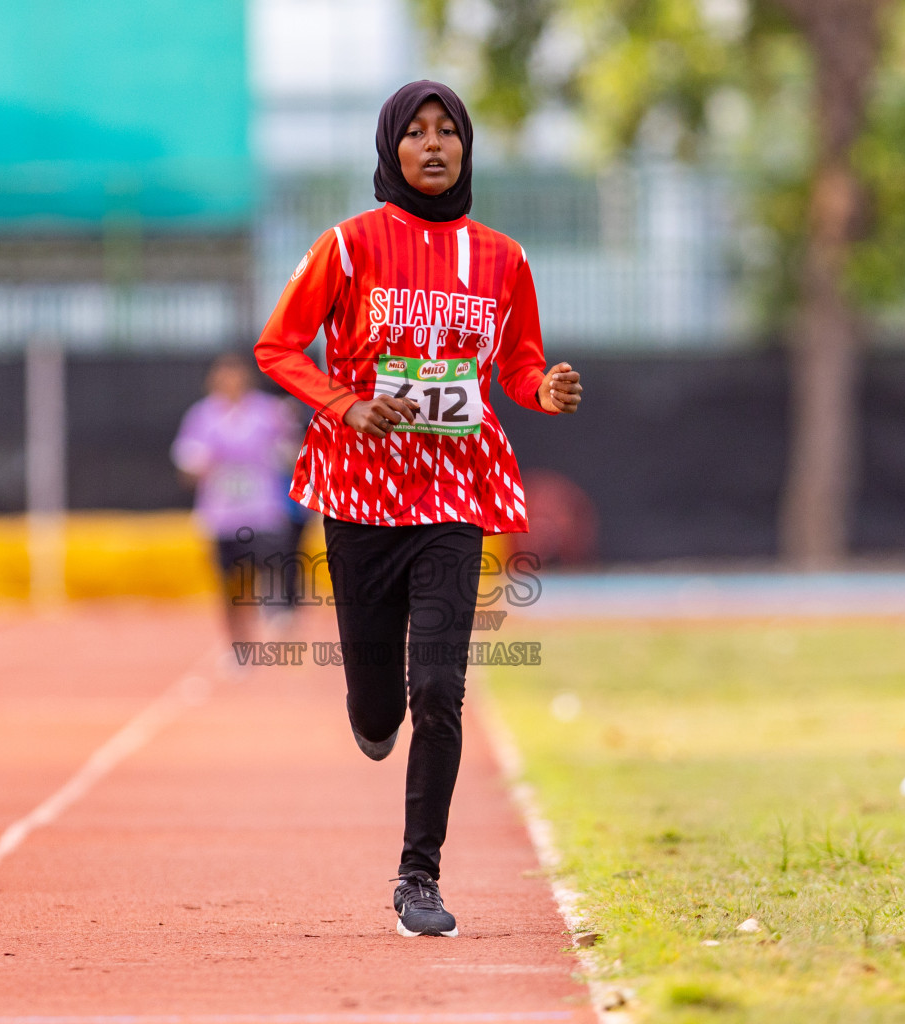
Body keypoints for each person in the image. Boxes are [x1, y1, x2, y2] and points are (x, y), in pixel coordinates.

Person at [254, 80, 582, 938]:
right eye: (416, 133)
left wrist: (543, 389)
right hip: (361, 495)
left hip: (453, 492)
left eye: (449, 132)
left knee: (439, 685)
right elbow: (277, 345)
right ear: (389, 149)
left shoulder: (504, 260)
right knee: (378, 707)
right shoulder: (348, 246)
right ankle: (372, 711)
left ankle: (419, 876)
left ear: (467, 148)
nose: (433, 146)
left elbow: (516, 369)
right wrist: (345, 402)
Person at [171, 352, 299, 647]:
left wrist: (282, 452)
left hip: (262, 510)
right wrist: (200, 464)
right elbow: (188, 462)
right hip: (223, 513)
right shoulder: (202, 416)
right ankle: (239, 641)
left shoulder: (269, 412)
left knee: (272, 564)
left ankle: (276, 610)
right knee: (231, 584)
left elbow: (290, 452)